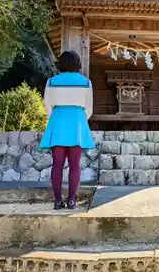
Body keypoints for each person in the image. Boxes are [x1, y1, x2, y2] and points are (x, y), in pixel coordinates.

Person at [39, 50, 94, 210]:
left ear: (61, 64)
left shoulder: (51, 82)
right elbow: (89, 109)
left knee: (57, 164)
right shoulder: (86, 82)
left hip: (57, 120)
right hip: (77, 122)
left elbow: (47, 106)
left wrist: (56, 117)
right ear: (77, 64)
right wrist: (79, 119)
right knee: (75, 165)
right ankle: (71, 201)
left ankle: (57, 201)